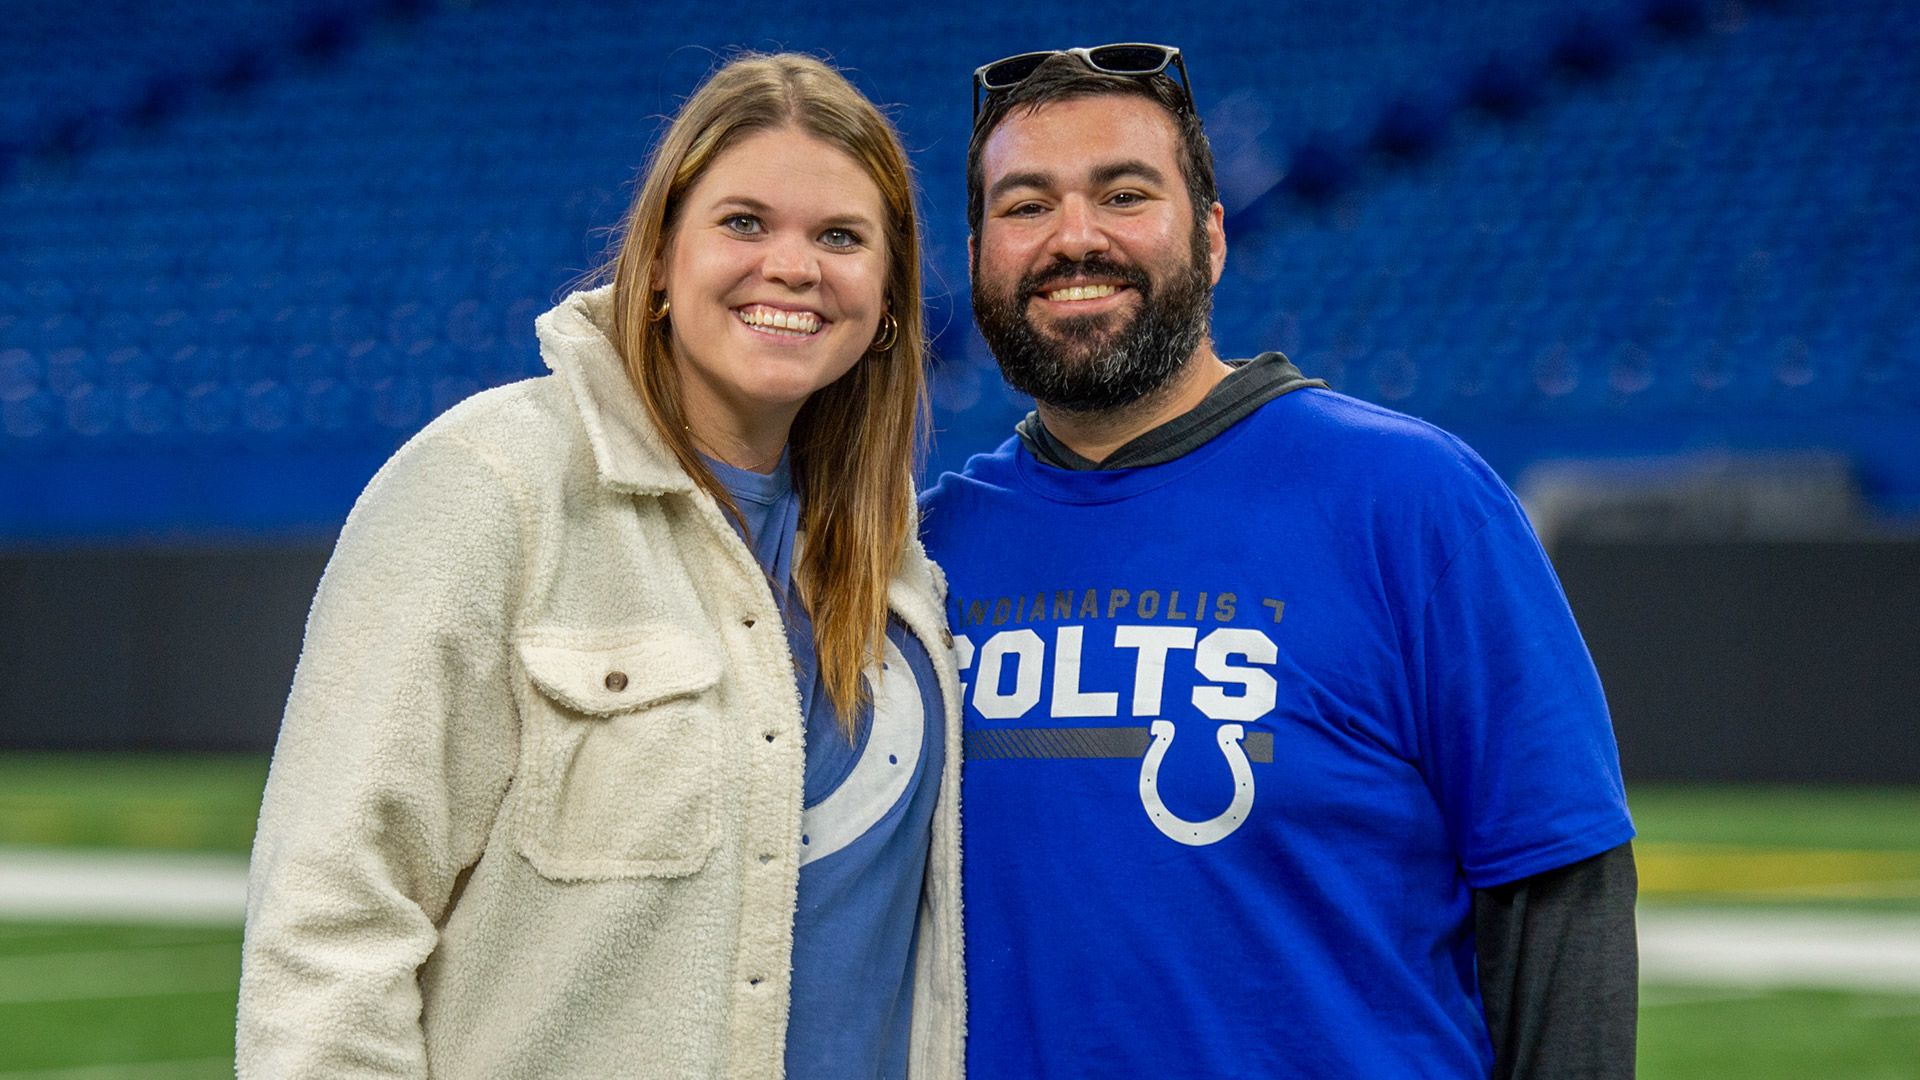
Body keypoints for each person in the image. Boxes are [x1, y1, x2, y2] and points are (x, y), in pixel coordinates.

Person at [238, 53, 965, 1080]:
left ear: (888, 296)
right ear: (661, 257)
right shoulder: (489, 485)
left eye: (841, 236)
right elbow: (330, 923)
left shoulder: (898, 568)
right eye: (745, 222)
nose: (794, 267)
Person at [920, 44, 1636, 1079]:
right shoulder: (926, 554)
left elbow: (1558, 890)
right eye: (1025, 206)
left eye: (1125, 194)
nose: (1075, 237)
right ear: (980, 252)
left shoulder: (1416, 500)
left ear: (1211, 237)